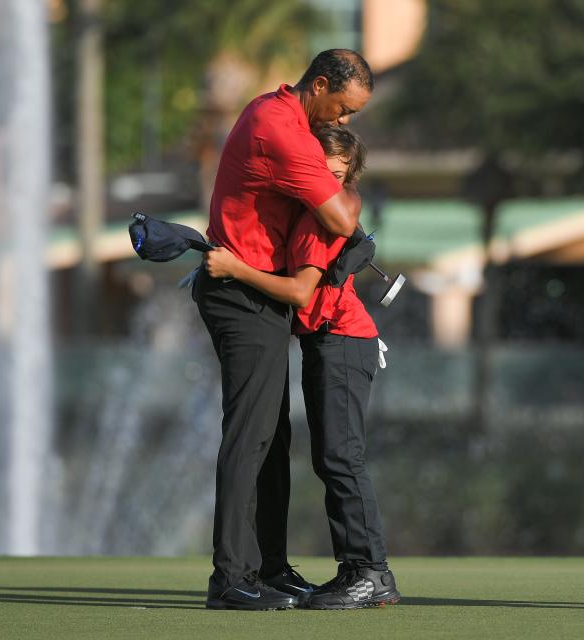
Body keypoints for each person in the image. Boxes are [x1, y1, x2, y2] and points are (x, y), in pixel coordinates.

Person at [193, 49, 374, 611]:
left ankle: (268, 567)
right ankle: (231, 578)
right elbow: (343, 218)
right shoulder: (280, 126)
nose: (343, 122)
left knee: (272, 437)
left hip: (257, 295)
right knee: (250, 435)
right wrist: (349, 194)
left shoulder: (283, 116)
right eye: (342, 109)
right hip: (241, 294)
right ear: (319, 85)